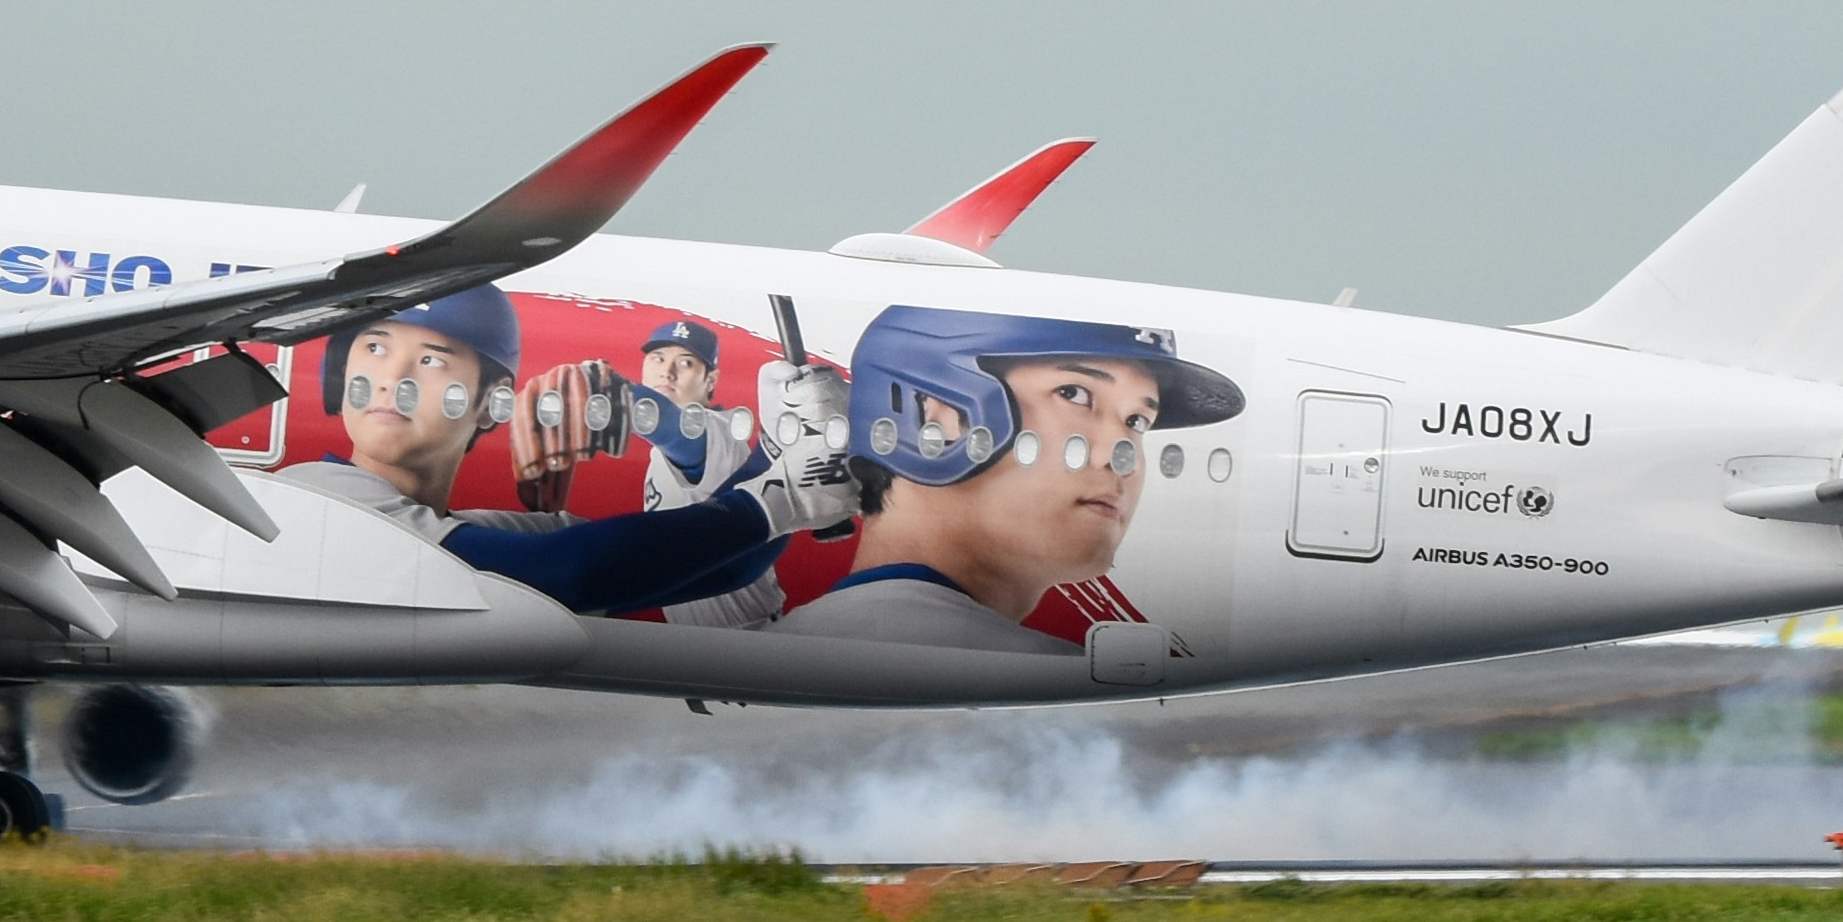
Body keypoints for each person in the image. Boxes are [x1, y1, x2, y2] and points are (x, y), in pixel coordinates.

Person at [276, 285, 854, 615]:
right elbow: (573, 573)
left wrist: (778, 457)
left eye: (430, 360)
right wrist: (779, 499)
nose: (390, 378)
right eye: (374, 347)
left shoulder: (451, 527)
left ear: (488, 401)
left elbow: (713, 568)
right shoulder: (323, 499)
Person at [775, 307, 1243, 652]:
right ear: (931, 414)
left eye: (1138, 421)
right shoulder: (1038, 678)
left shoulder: (787, 639)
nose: (1119, 456)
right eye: (1075, 393)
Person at [629, 315, 786, 628]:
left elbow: (666, 424)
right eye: (657, 358)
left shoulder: (715, 435)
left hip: (747, 637)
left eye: (685, 362)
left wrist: (599, 387)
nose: (666, 371)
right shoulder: (664, 450)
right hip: (703, 639)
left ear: (711, 380)